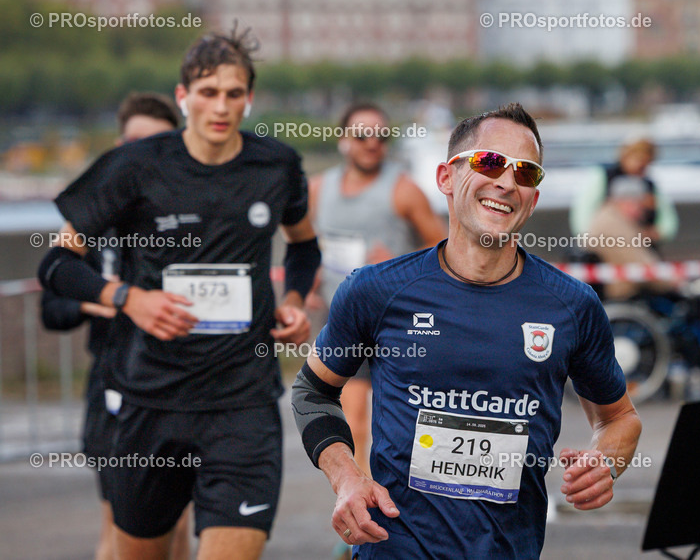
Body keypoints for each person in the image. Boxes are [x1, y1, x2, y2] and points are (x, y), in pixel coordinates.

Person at [291, 103, 641, 558]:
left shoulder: (571, 305)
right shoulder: (375, 291)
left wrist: (605, 463)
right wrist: (346, 477)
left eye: (526, 173)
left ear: (533, 199)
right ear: (446, 178)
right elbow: (311, 392)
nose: (506, 182)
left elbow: (619, 417)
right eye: (489, 162)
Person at [37, 28, 320, 560]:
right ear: (184, 95)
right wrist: (128, 299)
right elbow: (56, 265)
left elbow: (304, 249)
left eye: (234, 94)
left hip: (243, 406)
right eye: (208, 92)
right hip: (151, 402)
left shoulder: (277, 167)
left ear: (249, 99)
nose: (221, 106)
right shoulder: (136, 166)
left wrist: (295, 303)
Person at [40, 92, 191, 560]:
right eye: (131, 141)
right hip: (110, 390)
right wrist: (101, 302)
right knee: (118, 524)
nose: (138, 152)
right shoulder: (96, 218)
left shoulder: (187, 219)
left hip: (178, 385)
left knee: (178, 525)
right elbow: (52, 308)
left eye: (153, 141)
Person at [307, 101, 446, 559]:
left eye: (381, 137)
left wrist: (397, 267)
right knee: (346, 420)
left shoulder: (403, 191)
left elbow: (445, 247)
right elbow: (305, 245)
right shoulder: (318, 188)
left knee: (373, 423)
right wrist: (302, 287)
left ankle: (370, 518)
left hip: (390, 325)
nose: (373, 145)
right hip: (337, 321)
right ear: (344, 139)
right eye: (363, 136)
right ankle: (356, 513)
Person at [587, 175, 700, 392]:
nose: (642, 211)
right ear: (627, 200)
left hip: (626, 289)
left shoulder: (609, 219)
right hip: (629, 292)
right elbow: (644, 269)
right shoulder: (613, 225)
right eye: (640, 204)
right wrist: (677, 283)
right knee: (692, 306)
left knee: (690, 303)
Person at [570, 137, 678, 249]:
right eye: (638, 159)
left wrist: (654, 233)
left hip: (639, 244)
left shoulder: (649, 185)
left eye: (645, 162)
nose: (640, 166)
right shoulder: (603, 176)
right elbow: (584, 213)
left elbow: (666, 222)